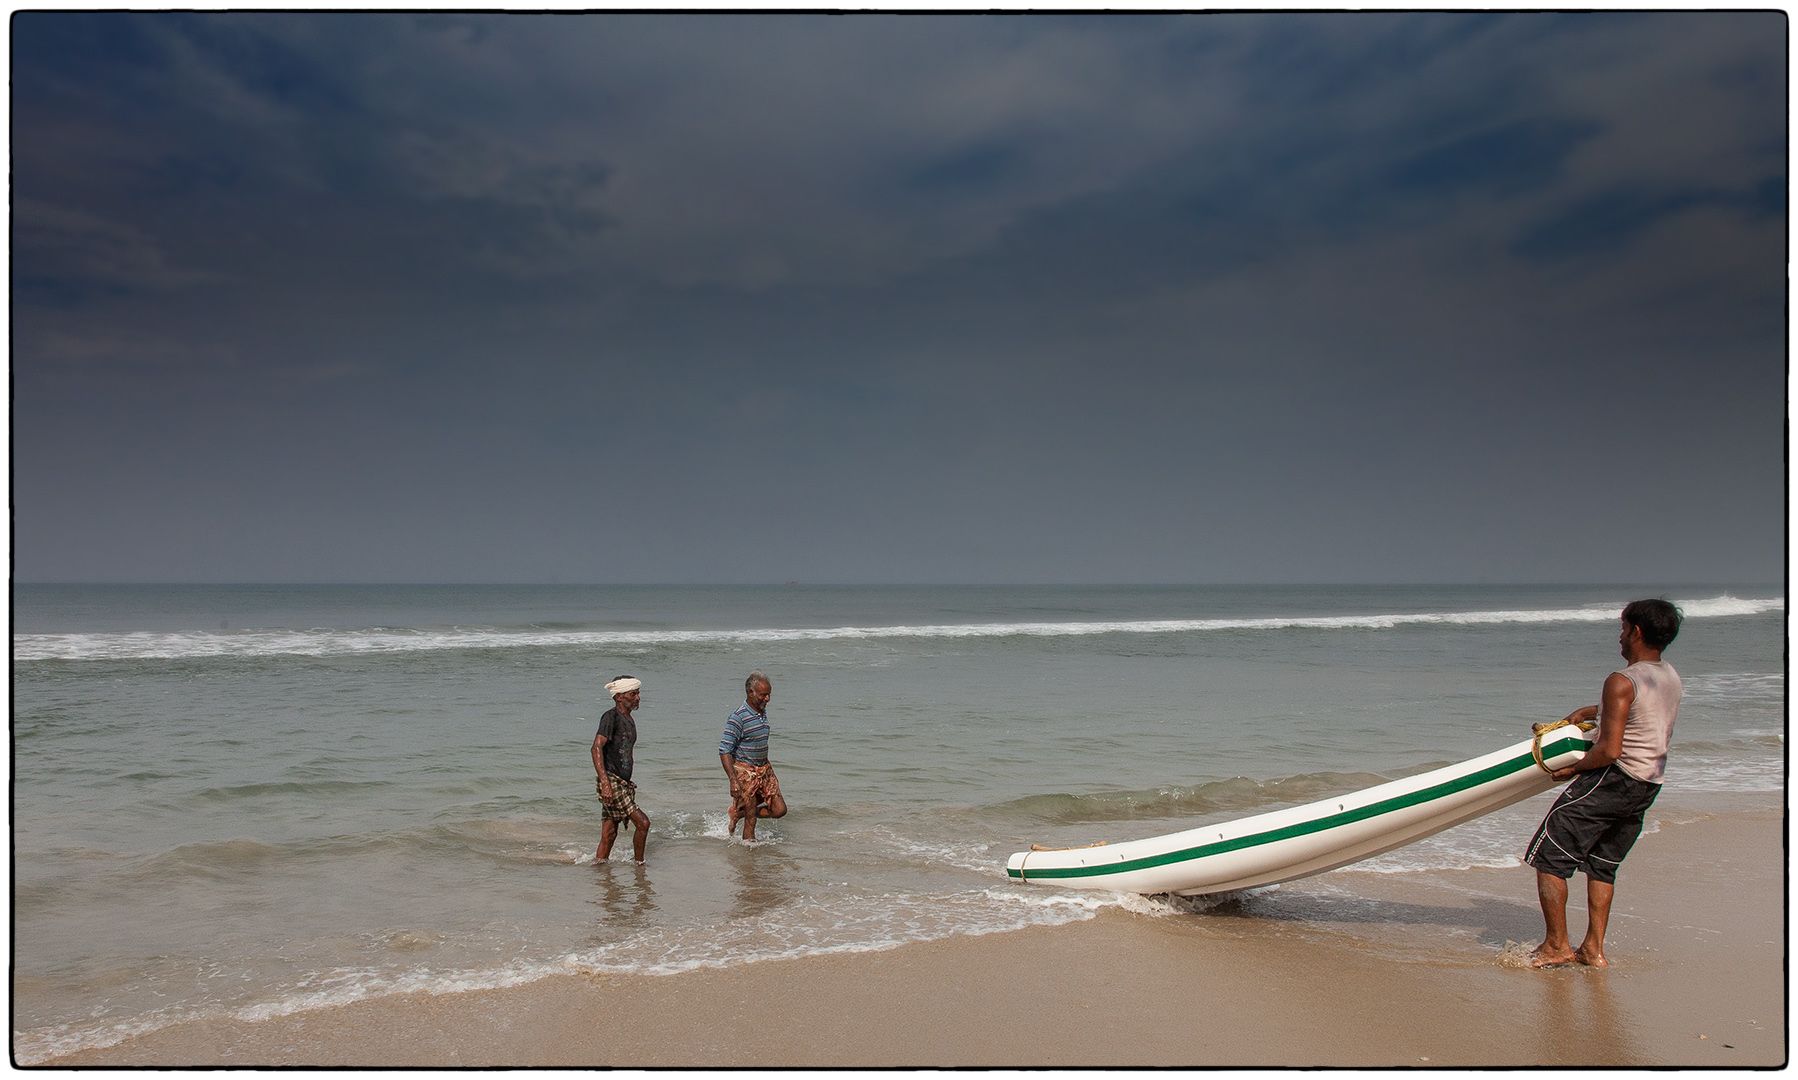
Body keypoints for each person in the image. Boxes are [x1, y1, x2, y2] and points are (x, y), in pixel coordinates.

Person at [1524, 599, 1683, 968]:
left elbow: (1609, 750)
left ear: (1636, 632)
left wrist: (1573, 769)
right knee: (1602, 863)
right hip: (1648, 783)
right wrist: (1592, 710)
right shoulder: (1669, 676)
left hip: (1615, 779)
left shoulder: (1620, 680)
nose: (1620, 636)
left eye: (1623, 628)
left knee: (1549, 854)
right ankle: (1593, 950)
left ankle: (1556, 946)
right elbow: (1643, 708)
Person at [719, 671, 786, 841]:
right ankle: (749, 857)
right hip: (745, 771)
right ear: (750, 692)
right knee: (752, 818)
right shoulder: (737, 717)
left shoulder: (761, 711)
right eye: (764, 695)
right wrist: (733, 781)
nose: (768, 699)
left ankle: (738, 814)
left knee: (779, 810)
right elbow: (724, 750)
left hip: (764, 768)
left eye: (769, 694)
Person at [592, 675, 651, 863]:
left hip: (623, 783)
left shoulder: (629, 719)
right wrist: (605, 783)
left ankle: (600, 869)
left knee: (609, 833)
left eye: (638, 693)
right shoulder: (611, 717)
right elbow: (596, 747)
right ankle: (639, 865)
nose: (638, 697)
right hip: (611, 780)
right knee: (643, 823)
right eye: (633, 694)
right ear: (619, 696)